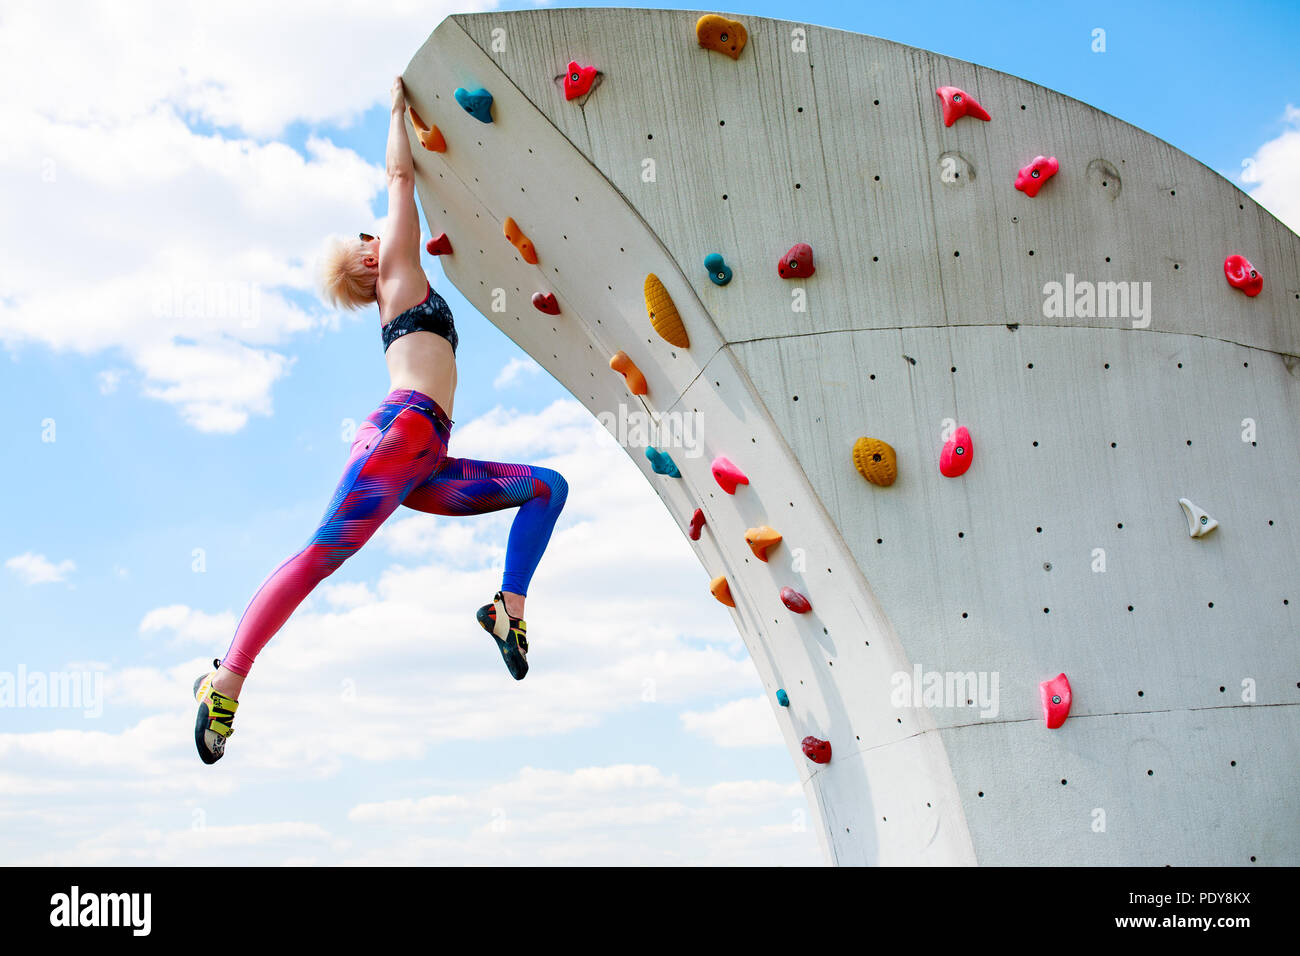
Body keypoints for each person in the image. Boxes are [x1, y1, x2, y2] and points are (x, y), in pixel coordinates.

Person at [192, 76, 568, 764]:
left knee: (547, 487)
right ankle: (227, 680)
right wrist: (397, 109)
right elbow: (399, 174)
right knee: (319, 555)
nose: (387, 231)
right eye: (373, 236)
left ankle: (506, 611)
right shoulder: (396, 269)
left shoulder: (404, 287)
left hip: (425, 461)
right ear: (370, 258)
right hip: (400, 439)